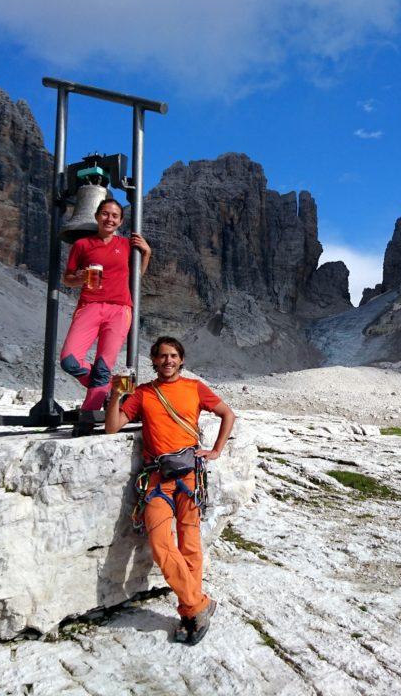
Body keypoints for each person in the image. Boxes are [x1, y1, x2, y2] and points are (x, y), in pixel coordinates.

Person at [105, 336, 236, 645]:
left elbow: (227, 414)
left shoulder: (194, 388)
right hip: (156, 480)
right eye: (162, 356)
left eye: (173, 355)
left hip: (189, 477)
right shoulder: (142, 394)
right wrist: (115, 395)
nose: (168, 360)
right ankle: (199, 604)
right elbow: (112, 427)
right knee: (162, 545)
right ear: (154, 360)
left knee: (190, 545)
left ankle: (189, 612)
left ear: (181, 359)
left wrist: (216, 450)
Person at [60, 198, 151, 425]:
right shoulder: (82, 245)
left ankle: (86, 419)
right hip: (89, 305)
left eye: (114, 216)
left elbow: (136, 278)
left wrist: (146, 253)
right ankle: (111, 386)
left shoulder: (126, 245)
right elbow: (67, 279)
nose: (109, 219)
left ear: (120, 221)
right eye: (105, 214)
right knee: (69, 360)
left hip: (120, 310)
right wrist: (79, 277)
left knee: (102, 366)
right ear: (97, 216)